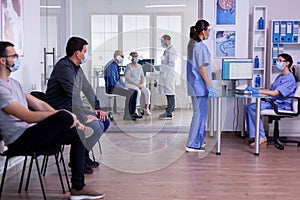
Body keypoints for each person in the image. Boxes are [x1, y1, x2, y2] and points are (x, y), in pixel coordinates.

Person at [0, 41, 105, 199]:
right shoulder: (1, 89)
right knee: (63, 115)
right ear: (3, 60)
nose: (17, 58)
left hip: (32, 133)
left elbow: (39, 104)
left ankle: (78, 188)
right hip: (19, 139)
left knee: (77, 133)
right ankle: (73, 121)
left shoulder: (14, 84)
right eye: (14, 55)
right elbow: (26, 116)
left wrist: (65, 116)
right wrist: (63, 115)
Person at [45, 36, 110, 174]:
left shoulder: (77, 68)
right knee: (95, 126)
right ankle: (77, 161)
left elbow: (87, 89)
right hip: (60, 111)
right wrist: (84, 118)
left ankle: (82, 156)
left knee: (105, 120)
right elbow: (73, 95)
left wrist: (97, 108)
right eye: (85, 51)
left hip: (71, 108)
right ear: (77, 53)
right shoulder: (63, 68)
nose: (86, 54)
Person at [245, 53, 297, 148]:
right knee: (248, 106)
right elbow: (270, 90)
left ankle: (261, 137)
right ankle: (255, 135)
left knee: (253, 108)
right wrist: (256, 90)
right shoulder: (280, 76)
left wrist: (257, 91)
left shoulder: (289, 79)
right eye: (278, 60)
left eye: (281, 61)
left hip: (281, 105)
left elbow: (274, 93)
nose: (278, 63)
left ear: (287, 63)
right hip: (274, 102)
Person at [185, 19, 217, 152]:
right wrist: (209, 86)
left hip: (197, 86)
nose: (209, 32)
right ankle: (192, 144)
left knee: (201, 115)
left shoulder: (195, 45)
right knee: (198, 115)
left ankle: (198, 141)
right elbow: (202, 68)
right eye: (208, 30)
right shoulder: (198, 46)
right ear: (203, 31)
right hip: (199, 86)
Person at [104, 50, 141, 121]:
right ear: (117, 57)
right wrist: (123, 88)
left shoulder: (115, 65)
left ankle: (132, 113)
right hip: (111, 88)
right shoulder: (111, 66)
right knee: (130, 93)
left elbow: (119, 79)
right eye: (122, 57)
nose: (123, 58)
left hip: (115, 86)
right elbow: (113, 82)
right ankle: (127, 116)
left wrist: (125, 86)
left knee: (135, 91)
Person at [158, 34, 177, 120]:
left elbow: (171, 64)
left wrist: (161, 67)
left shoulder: (171, 50)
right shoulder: (167, 50)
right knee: (168, 93)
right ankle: (168, 111)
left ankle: (170, 113)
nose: (162, 43)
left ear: (167, 40)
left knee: (170, 93)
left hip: (169, 75)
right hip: (166, 75)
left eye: (162, 41)